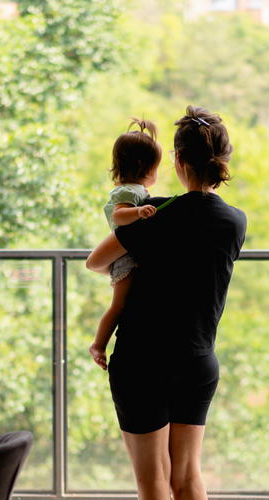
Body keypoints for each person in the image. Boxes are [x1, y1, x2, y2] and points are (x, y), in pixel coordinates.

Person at [85, 106, 246, 500]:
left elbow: (99, 258)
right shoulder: (234, 221)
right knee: (188, 476)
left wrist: (144, 216)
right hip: (199, 361)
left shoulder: (157, 215)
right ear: (221, 162)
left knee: (152, 479)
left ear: (178, 161)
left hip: (142, 362)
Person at [89, 119, 162, 371]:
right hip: (125, 257)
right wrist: (139, 212)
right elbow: (118, 216)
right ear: (146, 167)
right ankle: (98, 344)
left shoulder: (133, 190)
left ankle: (99, 343)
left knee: (124, 303)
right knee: (119, 305)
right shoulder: (129, 194)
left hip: (129, 254)